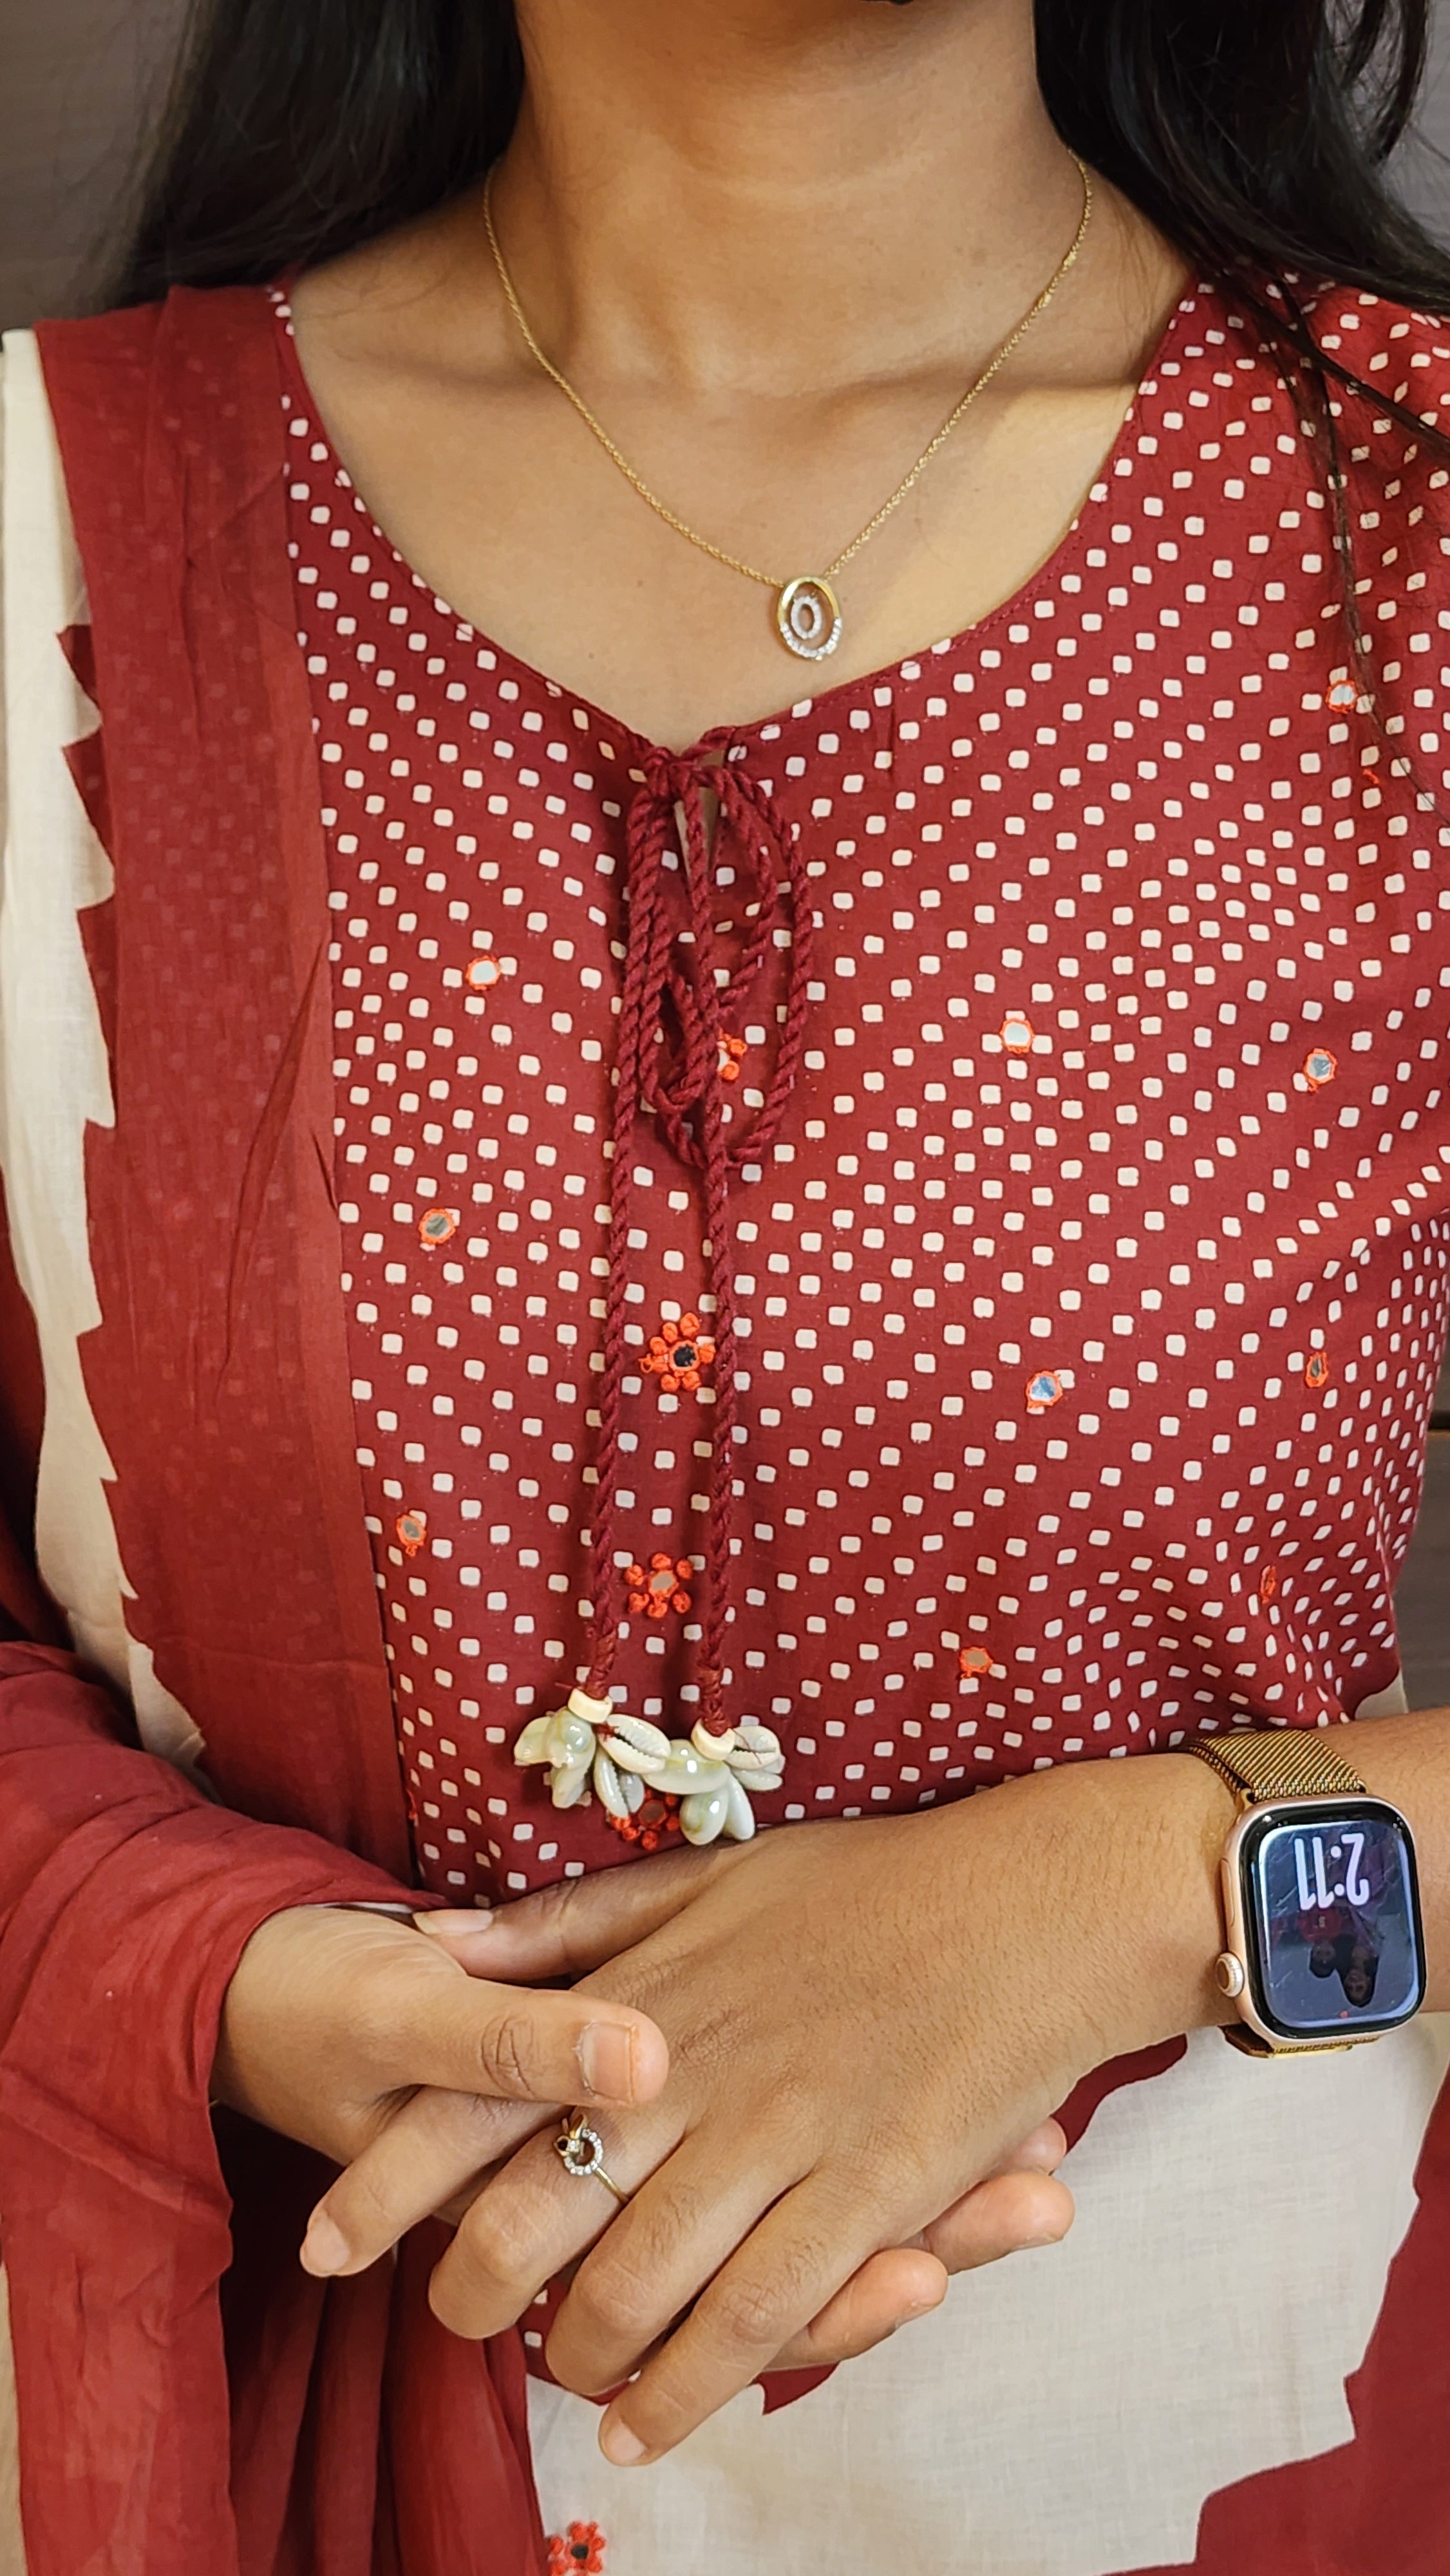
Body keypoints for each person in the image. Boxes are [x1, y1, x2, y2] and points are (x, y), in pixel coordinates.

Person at [4, 0, 1450, 2569]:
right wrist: (207, 1967)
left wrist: (1134, 1891)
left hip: (1241, 2439)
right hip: (261, 2434)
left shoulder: (1402, 526)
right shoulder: (41, 536)